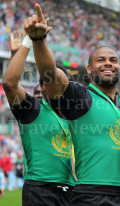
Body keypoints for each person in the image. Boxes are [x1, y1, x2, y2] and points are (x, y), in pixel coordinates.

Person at [23, 4, 120, 206]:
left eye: (113, 60)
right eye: (101, 60)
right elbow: (51, 74)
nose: (108, 63)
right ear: (89, 68)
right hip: (91, 196)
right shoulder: (82, 96)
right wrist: (38, 40)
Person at [3, 30, 75, 206]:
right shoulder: (33, 109)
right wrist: (26, 44)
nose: (53, 85)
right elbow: (11, 84)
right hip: (41, 190)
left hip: (71, 191)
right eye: (48, 81)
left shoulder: (72, 115)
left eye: (58, 80)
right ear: (42, 87)